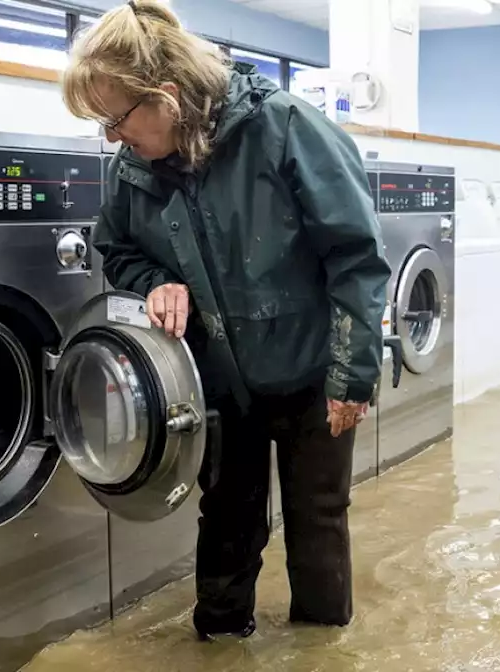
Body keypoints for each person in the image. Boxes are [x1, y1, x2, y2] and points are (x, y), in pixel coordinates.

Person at [61, 0, 391, 638]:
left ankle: (322, 648)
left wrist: (351, 378)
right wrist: (156, 283)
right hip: (216, 380)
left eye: (115, 118)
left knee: (316, 519)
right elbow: (116, 249)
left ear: (165, 95)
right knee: (228, 520)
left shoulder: (286, 128)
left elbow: (356, 258)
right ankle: (217, 642)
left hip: (310, 368)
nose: (110, 137)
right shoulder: (134, 169)